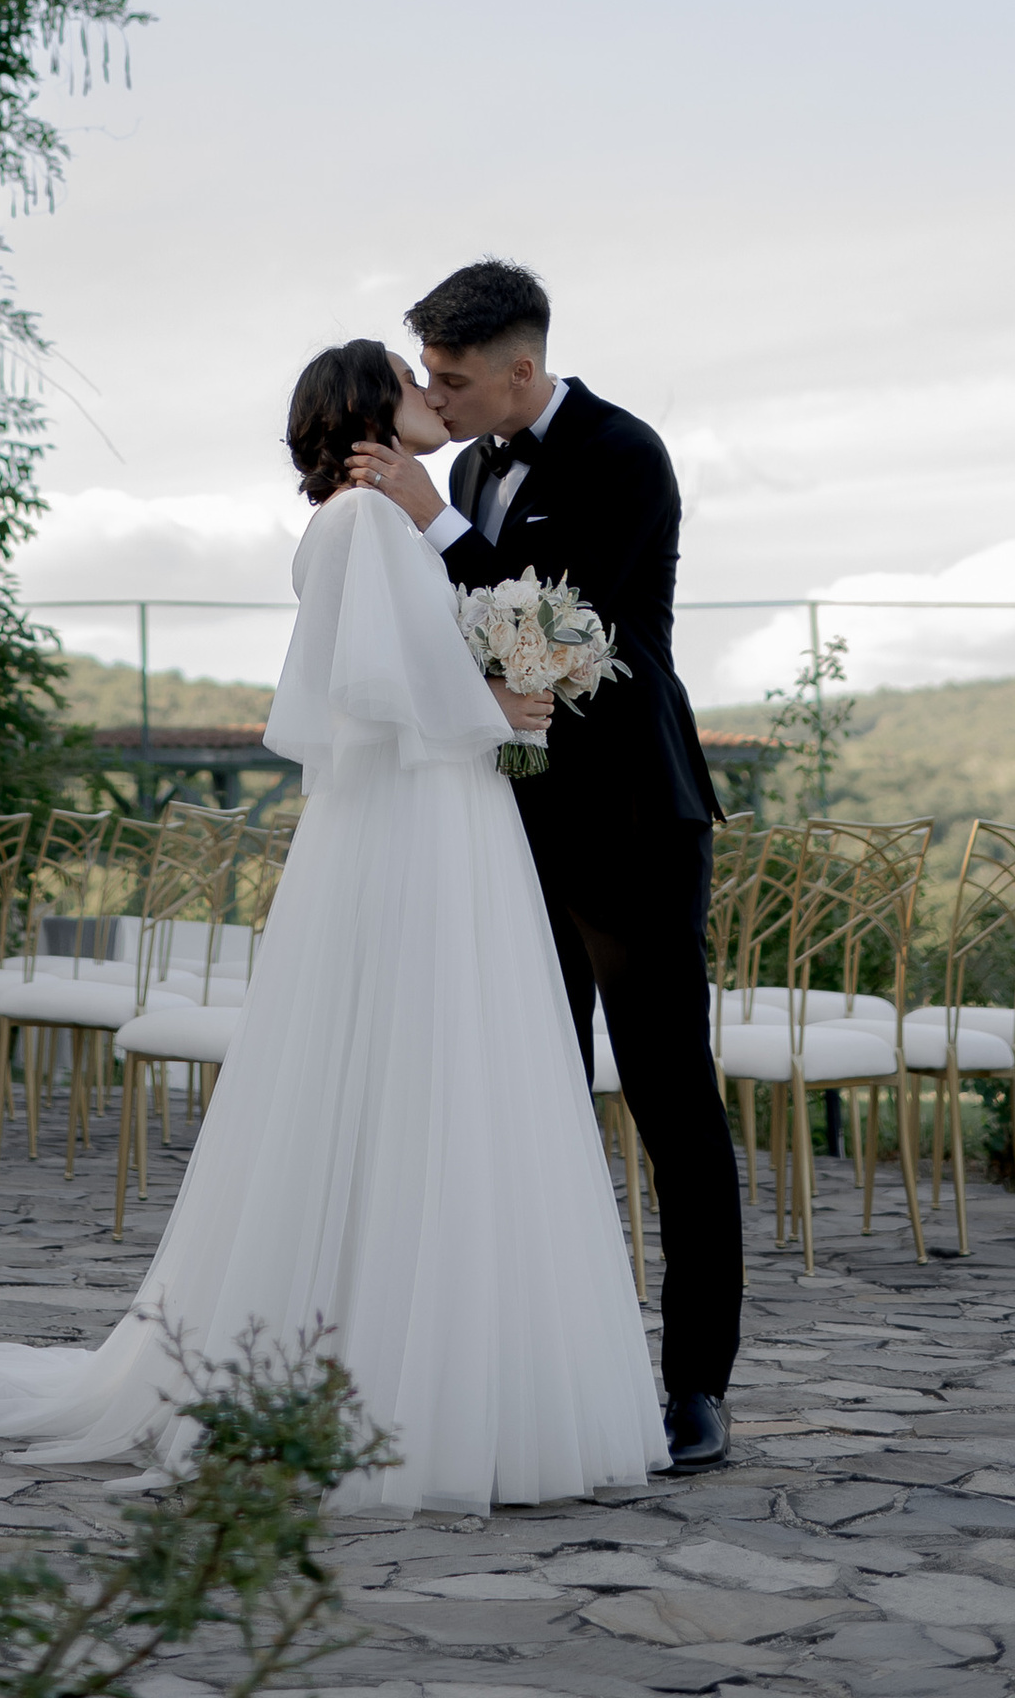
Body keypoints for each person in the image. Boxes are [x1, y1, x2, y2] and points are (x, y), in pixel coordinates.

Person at [0, 338, 667, 1512]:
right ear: (365, 413)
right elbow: (363, 696)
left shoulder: (389, 516)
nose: (430, 393)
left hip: (445, 817)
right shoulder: (360, 522)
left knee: (451, 1079)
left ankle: (458, 1375)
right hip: (414, 827)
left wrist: (495, 691)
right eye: (407, 376)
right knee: (413, 1073)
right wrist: (491, 704)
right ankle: (396, 1386)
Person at [346, 257, 742, 1474]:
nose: (437, 394)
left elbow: (570, 623)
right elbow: (473, 638)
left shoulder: (628, 454)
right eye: (431, 373)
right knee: (539, 1102)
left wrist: (438, 523)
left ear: (522, 367)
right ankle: (559, 1373)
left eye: (455, 377)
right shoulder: (462, 467)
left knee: (672, 1100)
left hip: (628, 816)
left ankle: (695, 1387)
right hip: (509, 825)